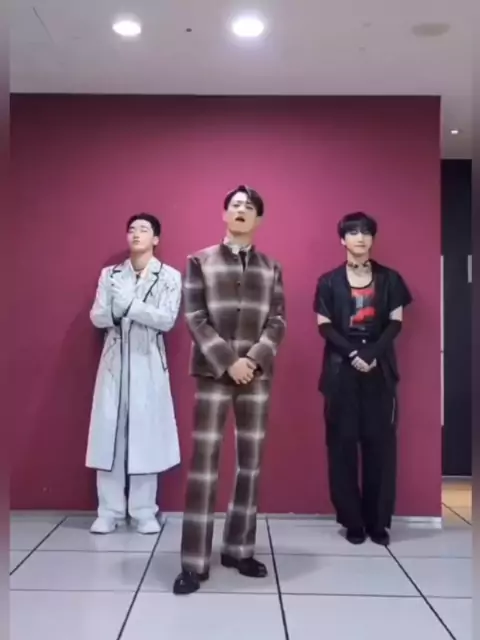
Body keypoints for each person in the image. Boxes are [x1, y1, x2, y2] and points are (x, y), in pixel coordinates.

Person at [173, 185, 286, 595]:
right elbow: (195, 316)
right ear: (224, 214)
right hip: (213, 373)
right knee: (203, 467)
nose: (241, 210)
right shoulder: (199, 261)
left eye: (249, 206)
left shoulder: (272, 267)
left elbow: (277, 321)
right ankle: (194, 563)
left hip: (256, 375)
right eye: (235, 205)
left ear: (258, 219)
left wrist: (252, 360)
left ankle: (239, 550)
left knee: (250, 465)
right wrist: (228, 361)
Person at [313, 212, 412, 546]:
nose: (360, 237)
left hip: (379, 372)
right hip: (341, 373)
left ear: (372, 239)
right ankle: (352, 521)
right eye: (353, 232)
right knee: (341, 447)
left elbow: (396, 323)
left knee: (380, 448)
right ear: (342, 239)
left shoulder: (390, 279)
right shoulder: (328, 281)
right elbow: (325, 326)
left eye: (366, 232)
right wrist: (354, 353)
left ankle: (377, 522)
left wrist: (372, 354)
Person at [86, 213, 182, 535]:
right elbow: (98, 316)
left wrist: (130, 306)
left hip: (148, 362)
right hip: (113, 363)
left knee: (146, 436)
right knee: (110, 436)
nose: (136, 234)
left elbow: (166, 319)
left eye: (144, 229)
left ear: (156, 238)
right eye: (131, 229)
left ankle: (144, 511)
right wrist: (118, 310)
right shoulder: (111, 275)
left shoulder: (169, 276)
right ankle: (109, 510)